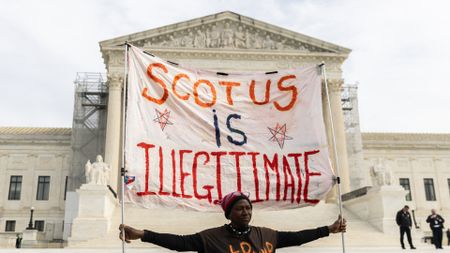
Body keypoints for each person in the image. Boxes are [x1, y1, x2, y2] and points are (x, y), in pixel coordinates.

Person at [119, 191, 347, 253]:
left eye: (248, 208)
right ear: (229, 214)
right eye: (240, 209)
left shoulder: (266, 235)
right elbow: (180, 243)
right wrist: (142, 234)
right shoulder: (212, 238)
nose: (246, 212)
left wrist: (329, 229)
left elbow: (297, 238)